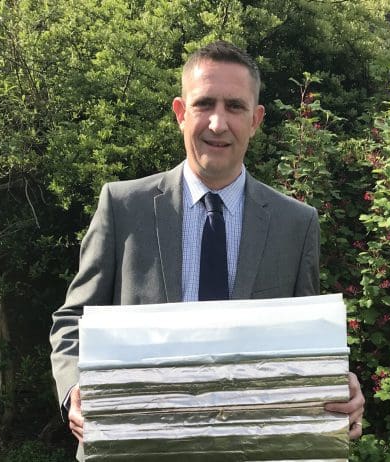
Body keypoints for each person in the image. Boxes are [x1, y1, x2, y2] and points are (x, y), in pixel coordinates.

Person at [50, 40, 365, 460]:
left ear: (255, 120)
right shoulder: (123, 207)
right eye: (204, 104)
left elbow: (305, 344)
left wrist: (336, 386)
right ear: (181, 112)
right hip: (136, 448)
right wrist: (75, 388)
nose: (218, 123)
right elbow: (72, 320)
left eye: (234, 107)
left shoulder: (295, 223)